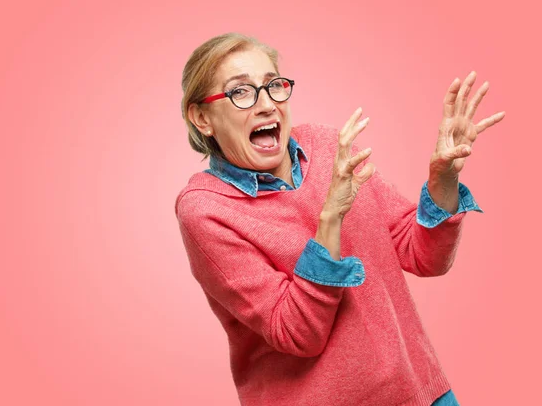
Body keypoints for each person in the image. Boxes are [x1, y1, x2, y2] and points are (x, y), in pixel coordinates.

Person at [174, 32, 505, 406]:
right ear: (202, 117)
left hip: (422, 394)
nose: (266, 104)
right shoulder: (205, 210)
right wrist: (330, 217)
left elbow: (423, 257)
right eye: (241, 93)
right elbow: (297, 333)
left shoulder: (329, 146)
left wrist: (443, 177)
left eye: (273, 86)